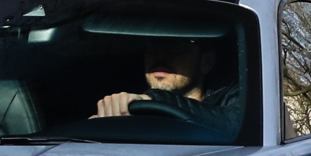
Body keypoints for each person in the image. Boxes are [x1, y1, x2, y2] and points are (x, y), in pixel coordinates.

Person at [91, 38, 240, 135]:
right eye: (152, 46)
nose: (160, 56)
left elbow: (237, 123)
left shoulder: (232, 99)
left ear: (206, 61)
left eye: (176, 46)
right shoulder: (121, 96)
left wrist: (154, 100)